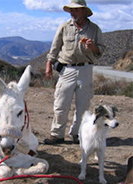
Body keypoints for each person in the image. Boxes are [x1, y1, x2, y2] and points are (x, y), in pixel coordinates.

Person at [44, 0, 105, 145]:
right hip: (67, 70)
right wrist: (48, 65)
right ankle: (57, 134)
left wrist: (94, 47)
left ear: (84, 11)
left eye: (76, 10)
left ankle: (77, 134)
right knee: (61, 104)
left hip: (86, 69)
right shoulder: (64, 27)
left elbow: (100, 51)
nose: (73, 13)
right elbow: (54, 48)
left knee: (83, 105)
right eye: (71, 10)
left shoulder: (95, 29)